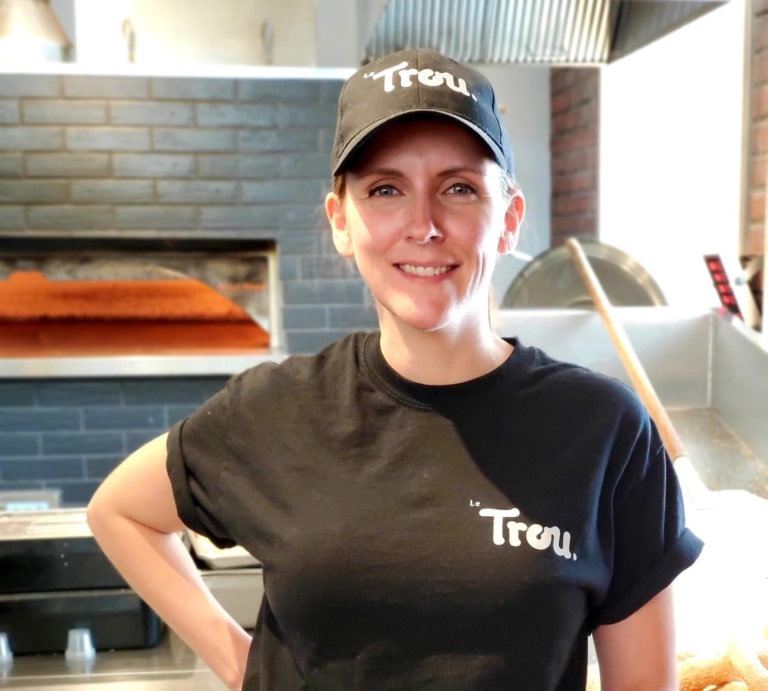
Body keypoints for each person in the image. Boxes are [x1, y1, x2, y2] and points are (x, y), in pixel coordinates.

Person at [87, 48, 703, 691]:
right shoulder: (275, 410)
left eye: (459, 188)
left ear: (509, 220)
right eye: (385, 190)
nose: (423, 225)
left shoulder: (603, 431)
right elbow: (120, 511)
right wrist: (239, 663)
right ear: (341, 222)